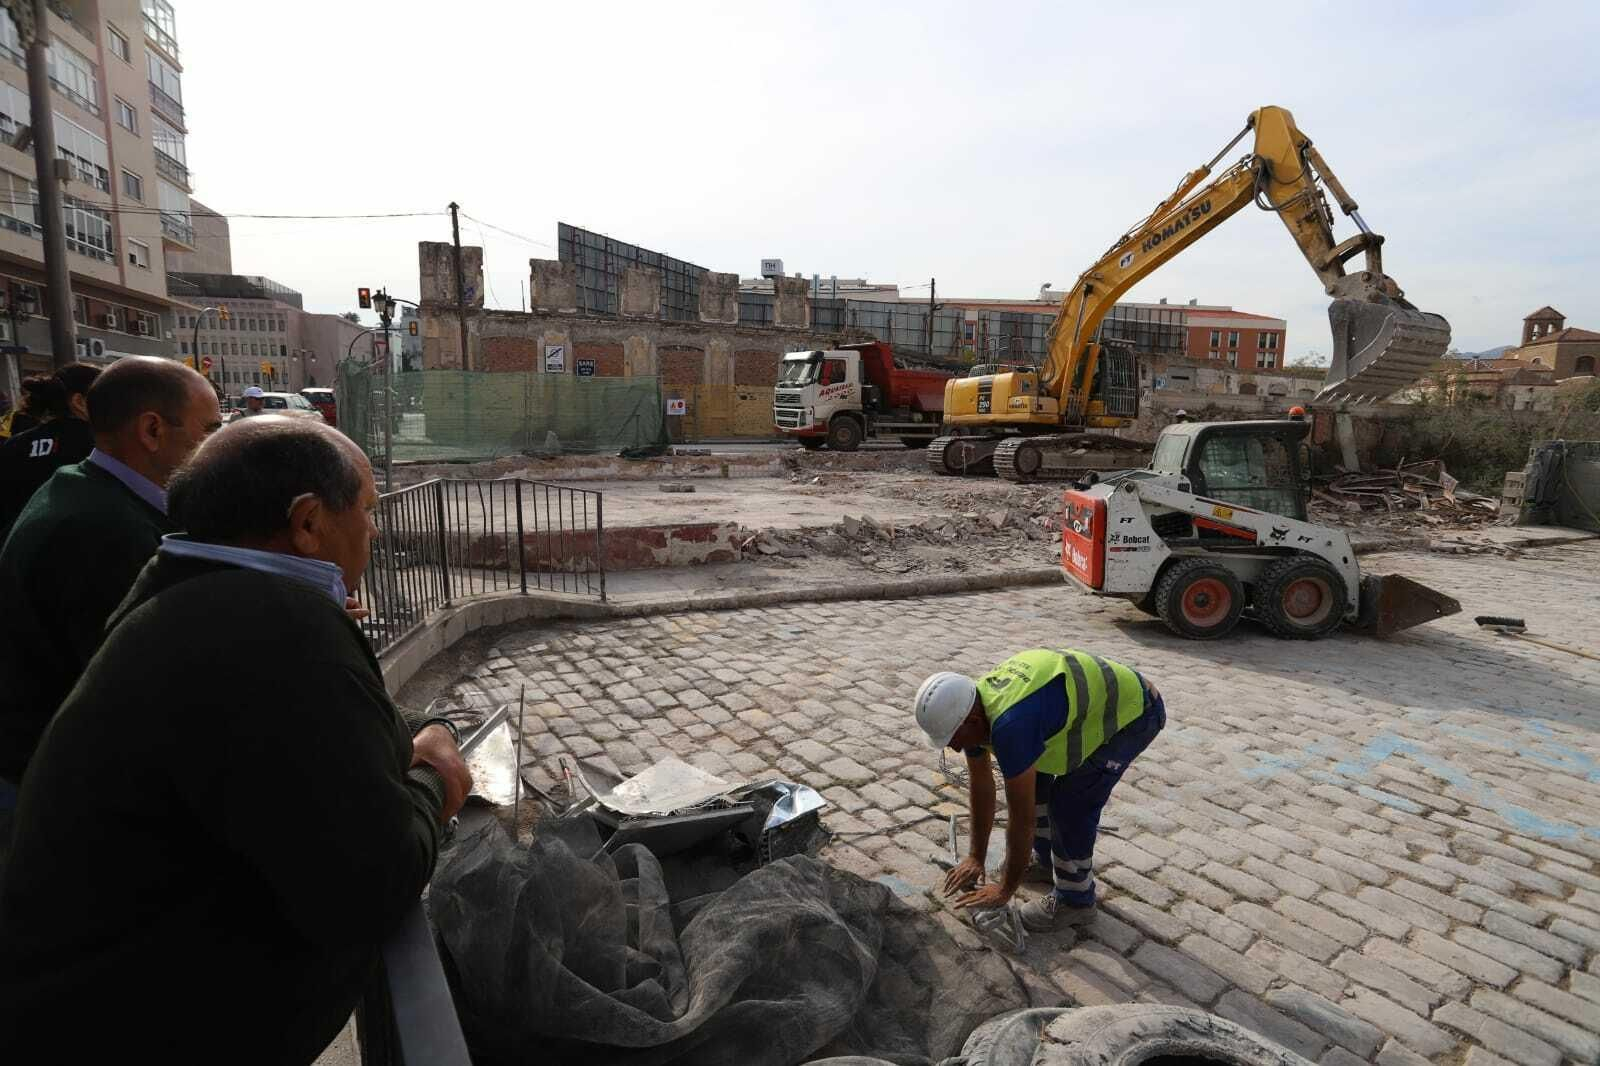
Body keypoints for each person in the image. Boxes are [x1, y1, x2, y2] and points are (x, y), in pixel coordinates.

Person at [0, 417, 473, 1062]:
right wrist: (434, 774)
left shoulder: (182, 584)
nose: (374, 528)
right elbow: (370, 885)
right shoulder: (275, 632)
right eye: (365, 509)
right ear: (308, 524)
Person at [0, 358, 220, 792]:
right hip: (56, 783)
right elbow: (150, 687)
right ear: (152, 430)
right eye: (210, 431)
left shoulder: (88, 489)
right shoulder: (101, 530)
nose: (217, 447)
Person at [913, 648, 1166, 932]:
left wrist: (1004, 890)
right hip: (1071, 709)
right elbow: (982, 787)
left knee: (1070, 804)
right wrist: (975, 856)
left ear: (971, 722)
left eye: (952, 739)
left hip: (1135, 713)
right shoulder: (972, 707)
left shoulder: (1010, 725)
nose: (954, 748)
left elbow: (1022, 819)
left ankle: (1076, 899)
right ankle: (1047, 861)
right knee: (1038, 785)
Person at [0, 363, 101, 535]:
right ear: (79, 402)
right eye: (108, 397)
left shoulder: (15, 444)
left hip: (20, 550)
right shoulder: (102, 444)